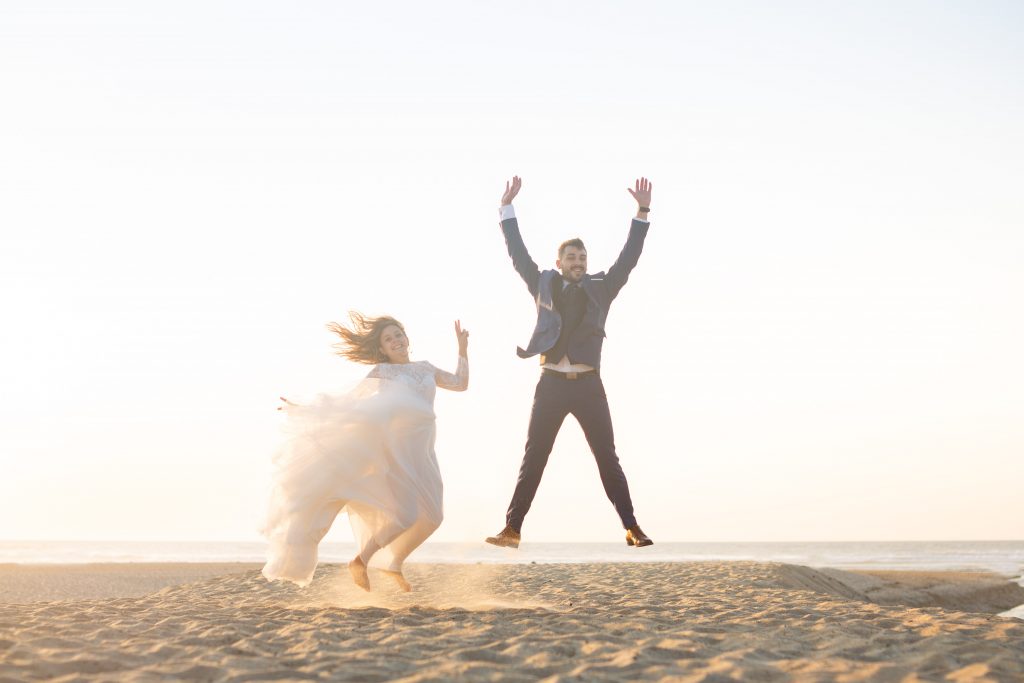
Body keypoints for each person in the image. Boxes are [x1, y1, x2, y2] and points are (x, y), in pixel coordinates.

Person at [486, 176, 654, 549]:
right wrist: (507, 211)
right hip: (551, 385)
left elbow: (629, 259)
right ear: (559, 262)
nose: (578, 263)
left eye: (583, 258)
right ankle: (512, 529)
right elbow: (517, 254)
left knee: (607, 460)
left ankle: (632, 527)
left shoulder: (602, 288)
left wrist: (641, 213)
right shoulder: (542, 284)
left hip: (589, 386)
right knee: (534, 458)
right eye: (572, 258)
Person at [262, 313, 469, 592]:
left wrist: (462, 349)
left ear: (407, 338)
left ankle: (392, 563)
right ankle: (361, 561)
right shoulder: (382, 374)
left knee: (433, 517)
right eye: (388, 339)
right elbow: (348, 402)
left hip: (424, 452)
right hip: (395, 452)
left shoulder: (426, 368)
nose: (395, 341)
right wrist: (306, 409)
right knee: (405, 516)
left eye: (398, 335)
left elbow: (460, 383)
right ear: (381, 349)